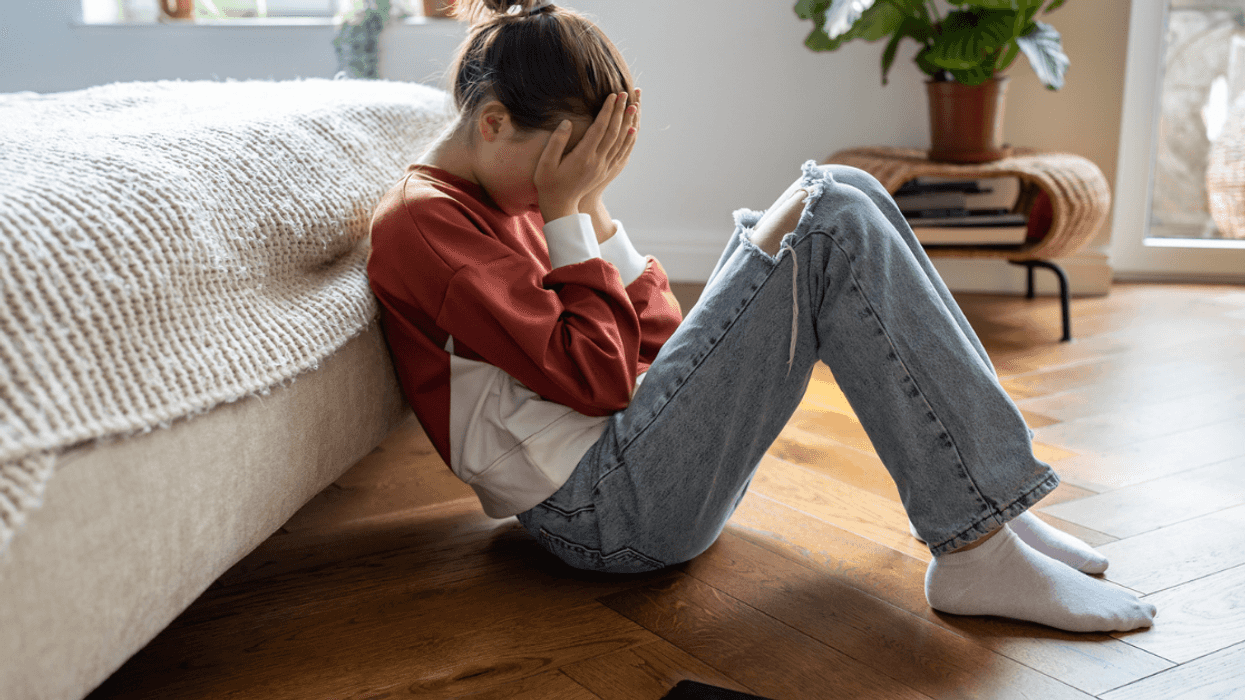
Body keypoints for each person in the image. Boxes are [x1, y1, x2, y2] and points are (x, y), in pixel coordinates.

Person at [366, 0, 1156, 633]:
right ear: (494, 121)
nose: (558, 188)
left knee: (841, 189)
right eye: (561, 161)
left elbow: (658, 341)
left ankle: (993, 515)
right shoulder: (426, 224)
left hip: (631, 469)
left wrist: (593, 209)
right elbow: (601, 380)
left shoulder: (509, 191)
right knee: (829, 225)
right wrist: (568, 210)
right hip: (598, 515)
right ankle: (977, 545)